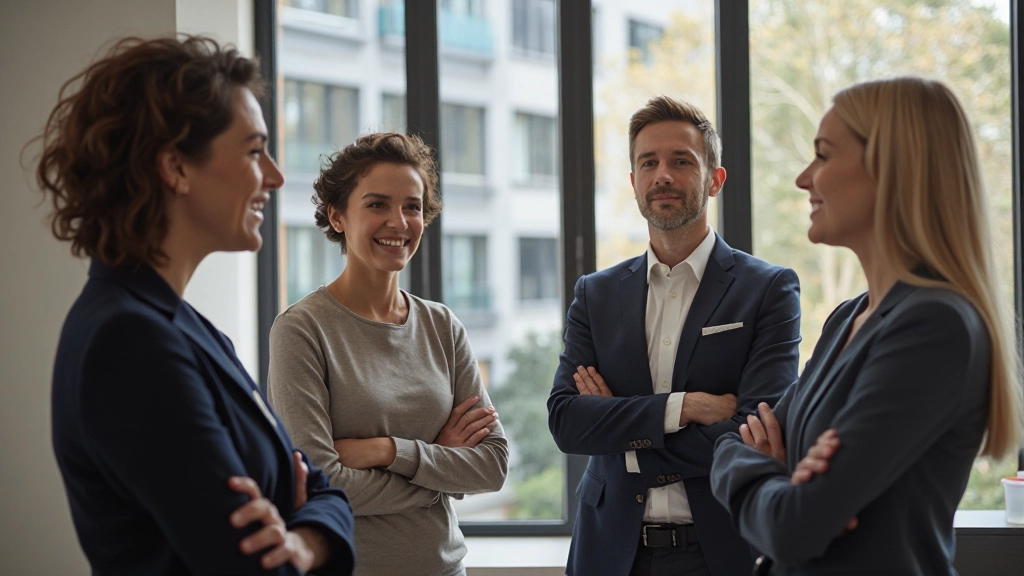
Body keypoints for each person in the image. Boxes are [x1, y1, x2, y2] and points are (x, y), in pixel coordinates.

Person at [43, 36, 355, 575]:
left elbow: (322, 488)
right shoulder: (131, 342)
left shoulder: (182, 326)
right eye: (255, 151)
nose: (276, 178)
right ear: (176, 167)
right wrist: (308, 527)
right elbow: (258, 566)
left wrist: (305, 539)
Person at [710, 77, 1024, 575]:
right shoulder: (847, 319)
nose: (803, 178)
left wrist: (767, 472)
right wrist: (774, 476)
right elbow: (734, 439)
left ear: (892, 170)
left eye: (824, 155)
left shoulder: (935, 327)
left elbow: (795, 528)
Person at [547, 96, 802, 576]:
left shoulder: (768, 289)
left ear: (714, 180)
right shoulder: (595, 294)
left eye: (681, 161)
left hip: (721, 551)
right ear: (634, 183)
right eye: (649, 163)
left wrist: (620, 433)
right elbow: (566, 422)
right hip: (608, 554)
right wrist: (685, 407)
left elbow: (757, 432)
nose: (662, 174)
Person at [267, 131, 509, 576]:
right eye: (377, 204)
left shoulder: (442, 327)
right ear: (338, 216)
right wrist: (438, 470)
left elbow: (491, 465)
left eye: (412, 207)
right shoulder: (301, 331)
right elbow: (321, 485)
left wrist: (388, 451)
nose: (399, 222)